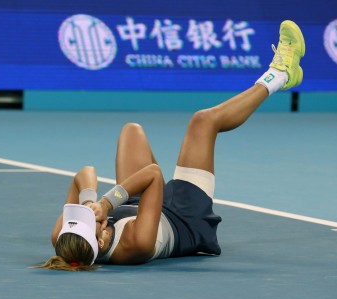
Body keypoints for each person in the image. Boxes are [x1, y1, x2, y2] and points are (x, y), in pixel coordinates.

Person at [33, 20, 305, 271]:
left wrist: (89, 202)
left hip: (139, 208)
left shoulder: (64, 239)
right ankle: (280, 74)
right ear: (102, 242)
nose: (87, 218)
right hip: (185, 217)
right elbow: (152, 174)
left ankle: (280, 74)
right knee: (203, 121)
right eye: (90, 224)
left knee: (131, 131)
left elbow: (85, 172)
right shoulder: (134, 246)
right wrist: (105, 203)